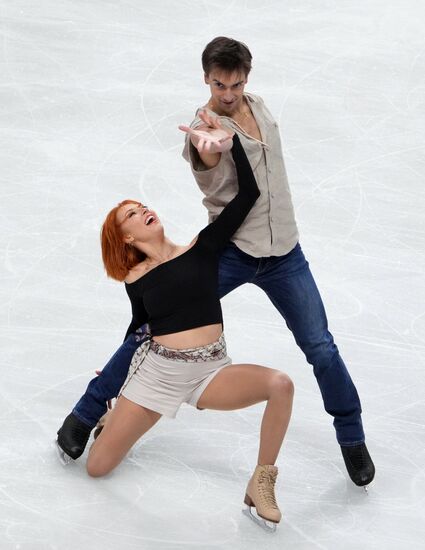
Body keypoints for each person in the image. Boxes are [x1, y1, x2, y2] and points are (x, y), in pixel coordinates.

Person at [57, 36, 374, 488]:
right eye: (219, 84)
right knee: (154, 326)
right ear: (206, 78)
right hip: (232, 253)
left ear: (247, 77)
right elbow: (205, 153)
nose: (228, 94)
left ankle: (352, 436)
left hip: (286, 254)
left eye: (236, 84)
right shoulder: (204, 125)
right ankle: (87, 412)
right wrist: (212, 146)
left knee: (320, 345)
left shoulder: (259, 107)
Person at [59, 131, 293, 530]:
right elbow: (137, 331)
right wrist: (111, 384)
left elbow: (248, 196)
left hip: (210, 372)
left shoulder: (202, 247)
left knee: (281, 385)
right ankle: (110, 419)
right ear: (128, 237)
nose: (143, 211)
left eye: (143, 206)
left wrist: (230, 142)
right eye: (131, 215)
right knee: (97, 468)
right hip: (156, 378)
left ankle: (262, 481)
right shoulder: (136, 278)